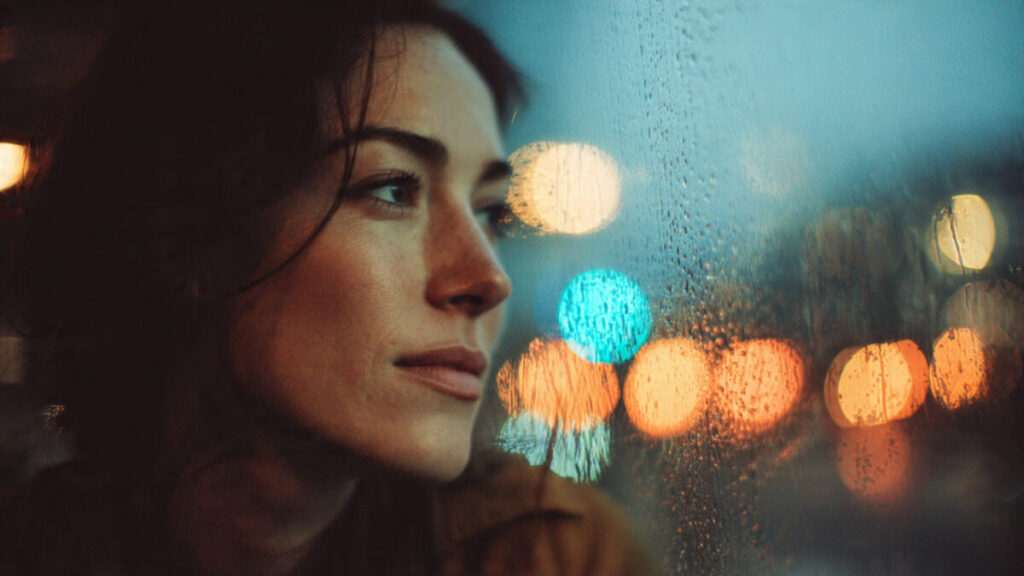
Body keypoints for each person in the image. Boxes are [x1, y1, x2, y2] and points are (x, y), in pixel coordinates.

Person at [0, 1, 655, 574]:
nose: (488, 280)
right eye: (393, 189)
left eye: (492, 213)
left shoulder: (555, 558)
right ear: (198, 231)